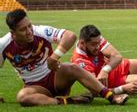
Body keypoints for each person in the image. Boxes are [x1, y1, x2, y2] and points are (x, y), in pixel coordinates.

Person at [0, 9, 129, 106]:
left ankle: (112, 97)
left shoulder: (40, 31)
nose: (29, 31)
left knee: (71, 67)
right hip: (36, 87)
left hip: (56, 77)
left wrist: (54, 57)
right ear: (13, 33)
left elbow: (70, 36)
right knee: (23, 97)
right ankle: (66, 101)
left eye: (29, 26)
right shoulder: (4, 45)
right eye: (23, 29)